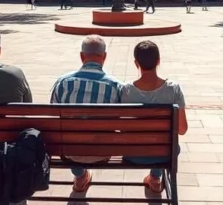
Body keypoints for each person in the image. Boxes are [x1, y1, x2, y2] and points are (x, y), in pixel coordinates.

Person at [51, 35, 123, 192]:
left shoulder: (63, 83)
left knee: (69, 136)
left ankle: (80, 175)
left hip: (70, 151)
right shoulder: (116, 86)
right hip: (103, 152)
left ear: (81, 56)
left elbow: (53, 118)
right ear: (104, 57)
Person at [120, 41, 188, 194]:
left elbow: (122, 127)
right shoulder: (174, 90)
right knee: (162, 142)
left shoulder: (127, 90)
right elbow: (182, 129)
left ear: (136, 63)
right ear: (158, 61)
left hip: (133, 153)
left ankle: (155, 178)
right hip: (164, 154)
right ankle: (155, 178)